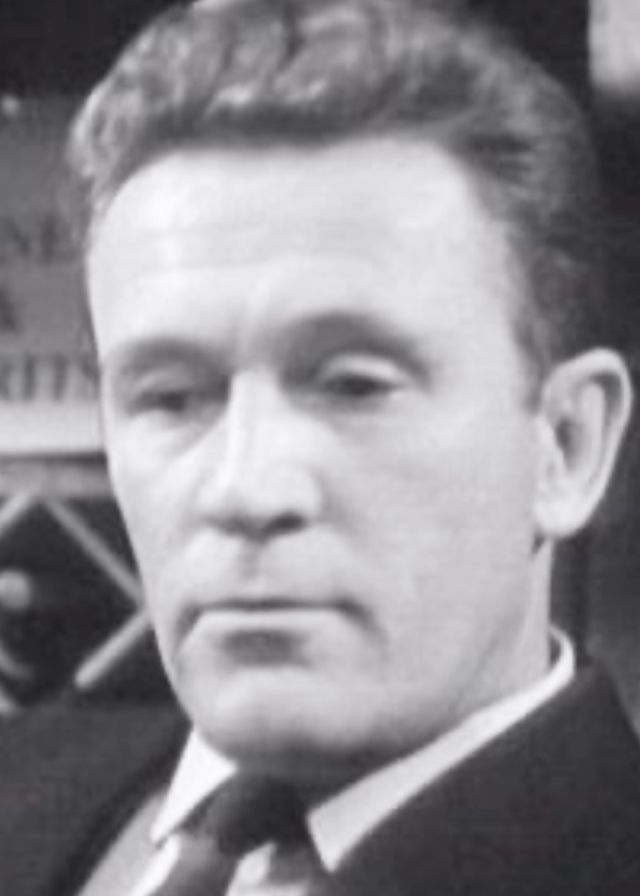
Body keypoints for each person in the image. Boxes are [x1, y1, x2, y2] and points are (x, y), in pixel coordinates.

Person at [1, 0, 640, 894]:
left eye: (354, 387)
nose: (243, 488)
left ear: (567, 445)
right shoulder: (23, 787)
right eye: (171, 397)